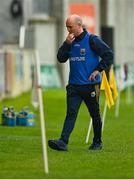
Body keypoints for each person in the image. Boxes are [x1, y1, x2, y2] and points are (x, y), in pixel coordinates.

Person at [48, 14, 113, 151]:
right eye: (67, 27)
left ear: (79, 25)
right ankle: (63, 142)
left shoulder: (92, 40)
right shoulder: (69, 42)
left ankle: (97, 142)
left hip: (90, 85)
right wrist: (66, 44)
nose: (68, 30)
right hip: (73, 86)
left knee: (94, 114)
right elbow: (60, 58)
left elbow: (109, 54)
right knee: (71, 114)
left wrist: (98, 70)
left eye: (70, 27)